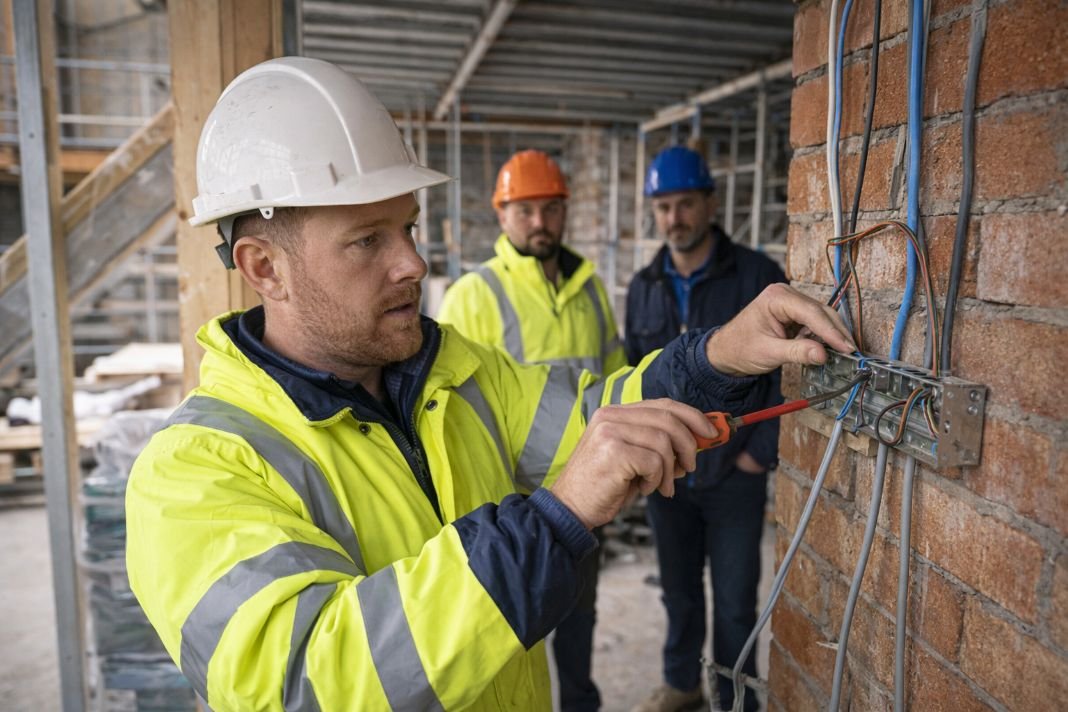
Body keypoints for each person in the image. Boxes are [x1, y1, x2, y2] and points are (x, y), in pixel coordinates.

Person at [125, 58, 855, 712]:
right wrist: (552, 519)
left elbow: (596, 420)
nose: (413, 262)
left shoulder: (456, 371)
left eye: (408, 228)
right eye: (367, 240)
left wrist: (719, 355)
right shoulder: (193, 473)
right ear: (263, 269)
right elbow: (309, 683)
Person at [437, 149, 625, 712]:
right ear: (502, 217)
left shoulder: (591, 289)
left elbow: (614, 376)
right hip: (509, 501)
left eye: (549, 209)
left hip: (587, 487)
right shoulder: (473, 295)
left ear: (565, 212)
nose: (539, 222)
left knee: (580, 613)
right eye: (524, 211)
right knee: (512, 625)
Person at [627, 146, 787, 712]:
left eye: (685, 204)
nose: (674, 218)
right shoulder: (645, 286)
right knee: (679, 593)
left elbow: (785, 378)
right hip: (669, 475)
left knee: (737, 600)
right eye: (663, 206)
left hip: (734, 476)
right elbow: (633, 378)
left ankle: (736, 699)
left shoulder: (757, 276)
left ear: (709, 203)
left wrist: (757, 457)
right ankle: (682, 684)